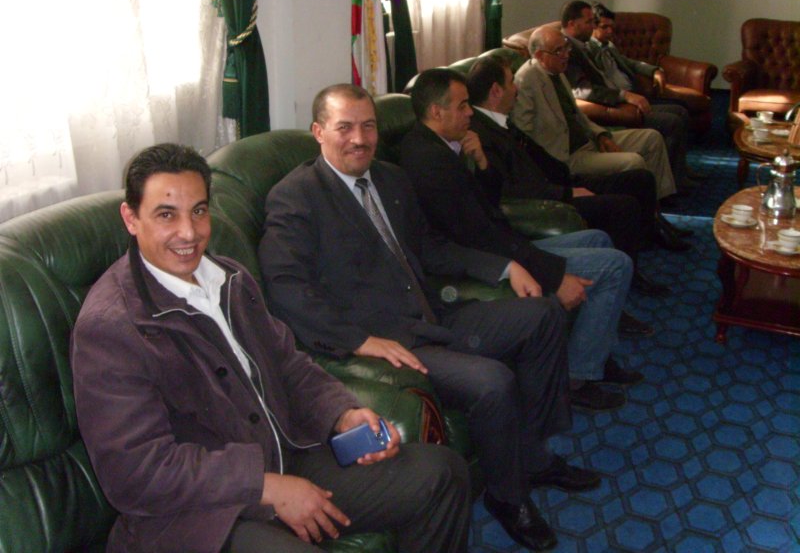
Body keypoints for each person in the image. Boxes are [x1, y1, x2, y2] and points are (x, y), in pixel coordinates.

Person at [70, 144, 471, 553]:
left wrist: (342, 414)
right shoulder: (112, 328)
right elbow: (136, 472)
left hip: (282, 457)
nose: (189, 233)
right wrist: (265, 487)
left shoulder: (230, 278)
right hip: (199, 516)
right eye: (166, 215)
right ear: (131, 218)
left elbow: (288, 364)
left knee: (442, 474)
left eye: (199, 211)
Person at [259, 84, 601, 552]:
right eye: (345, 128)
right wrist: (358, 340)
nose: (359, 138)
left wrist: (504, 267)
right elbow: (285, 287)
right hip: (390, 341)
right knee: (493, 381)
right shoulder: (295, 197)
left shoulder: (391, 179)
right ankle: (509, 498)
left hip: (434, 312)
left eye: (368, 126)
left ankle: (534, 456)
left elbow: (430, 247)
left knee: (543, 314)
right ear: (319, 132)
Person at [399, 66, 645, 404]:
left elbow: (485, 208)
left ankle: (595, 354)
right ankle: (578, 375)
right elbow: (478, 236)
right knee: (616, 265)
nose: (470, 113)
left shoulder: (443, 146)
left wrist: (482, 163)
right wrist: (552, 275)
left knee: (598, 239)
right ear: (436, 111)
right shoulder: (428, 162)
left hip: (503, 240)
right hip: (487, 257)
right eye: (462, 106)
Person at [465, 55, 677, 292]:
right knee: (624, 207)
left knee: (640, 179)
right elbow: (509, 189)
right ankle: (627, 279)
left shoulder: (501, 121)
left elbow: (542, 158)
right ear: (496, 91)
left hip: (561, 182)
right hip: (546, 201)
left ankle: (646, 239)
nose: (516, 89)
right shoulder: (481, 134)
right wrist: (566, 193)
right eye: (511, 82)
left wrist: (571, 180)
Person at [512, 25, 677, 206]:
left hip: (589, 140)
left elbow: (578, 115)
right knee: (633, 161)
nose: (566, 54)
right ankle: (647, 214)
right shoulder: (526, 80)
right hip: (568, 155)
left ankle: (660, 203)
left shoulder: (557, 71)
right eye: (559, 50)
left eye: (566, 46)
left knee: (652, 138)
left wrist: (601, 135)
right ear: (539, 56)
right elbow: (523, 132)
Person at [560, 0, 693, 192]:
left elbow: (627, 63)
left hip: (621, 99)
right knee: (672, 121)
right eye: (590, 22)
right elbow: (582, 91)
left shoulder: (585, 45)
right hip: (612, 107)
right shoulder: (570, 49)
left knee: (680, 110)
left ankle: (676, 177)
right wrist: (623, 96)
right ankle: (672, 184)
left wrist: (653, 71)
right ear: (572, 24)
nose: (593, 26)